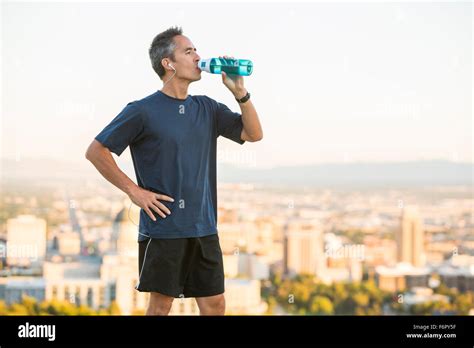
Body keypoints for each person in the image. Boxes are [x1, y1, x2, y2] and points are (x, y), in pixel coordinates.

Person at [85, 26, 263, 315]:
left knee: (216, 304)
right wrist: (135, 192)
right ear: (168, 63)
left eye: (196, 50)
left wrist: (240, 93)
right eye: (188, 51)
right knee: (160, 307)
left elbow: (253, 134)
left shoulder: (208, 108)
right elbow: (96, 151)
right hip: (165, 227)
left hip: (204, 226)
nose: (198, 57)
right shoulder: (142, 110)